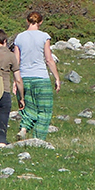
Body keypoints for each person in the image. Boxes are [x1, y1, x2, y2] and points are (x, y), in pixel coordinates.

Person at [13, 11, 61, 141]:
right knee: (44, 110)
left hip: (23, 77)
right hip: (41, 77)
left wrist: (15, 81)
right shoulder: (44, 37)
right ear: (40, 22)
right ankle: (38, 139)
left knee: (27, 106)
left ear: (27, 21)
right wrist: (56, 77)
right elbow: (49, 59)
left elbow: (16, 61)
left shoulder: (19, 37)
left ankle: (23, 128)